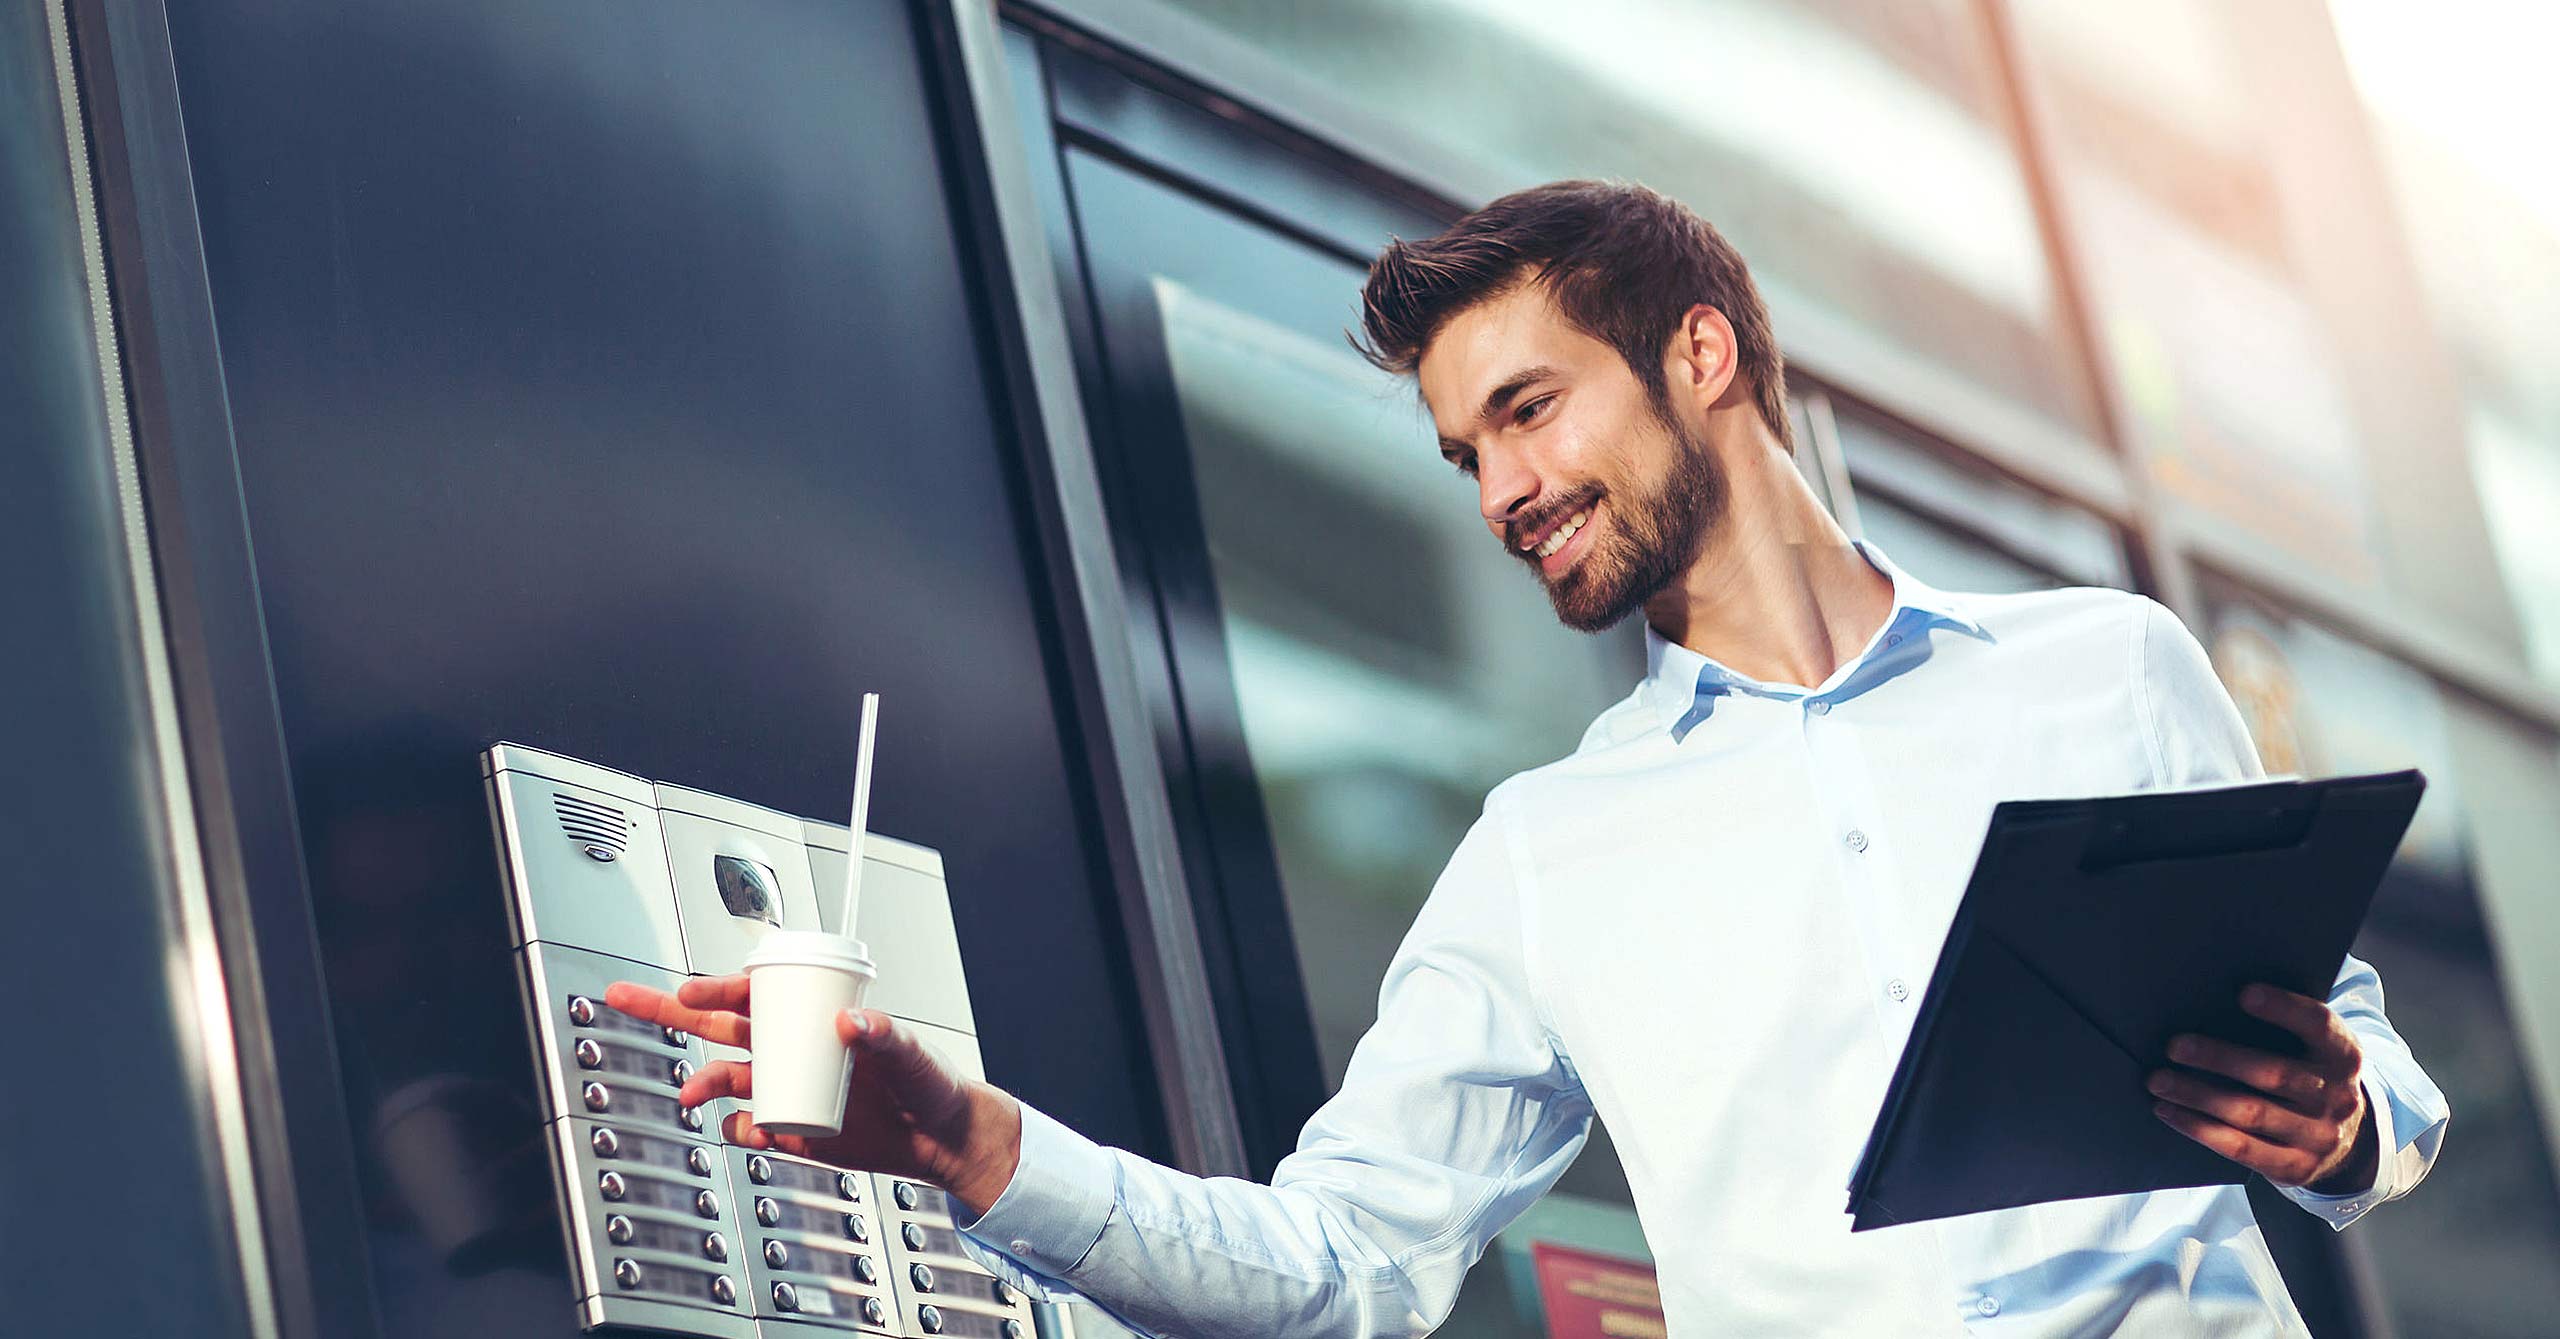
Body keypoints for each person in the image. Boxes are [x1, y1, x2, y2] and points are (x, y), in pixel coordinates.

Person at [607, 181, 2447, 1336]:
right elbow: (1342, 1271)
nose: (1502, 494)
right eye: (1463, 457)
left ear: (1701, 355)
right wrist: (970, 1143)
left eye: (1529, 410)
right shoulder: (1549, 855)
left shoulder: (2108, 671)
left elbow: (2358, 1052)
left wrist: (2342, 1118)